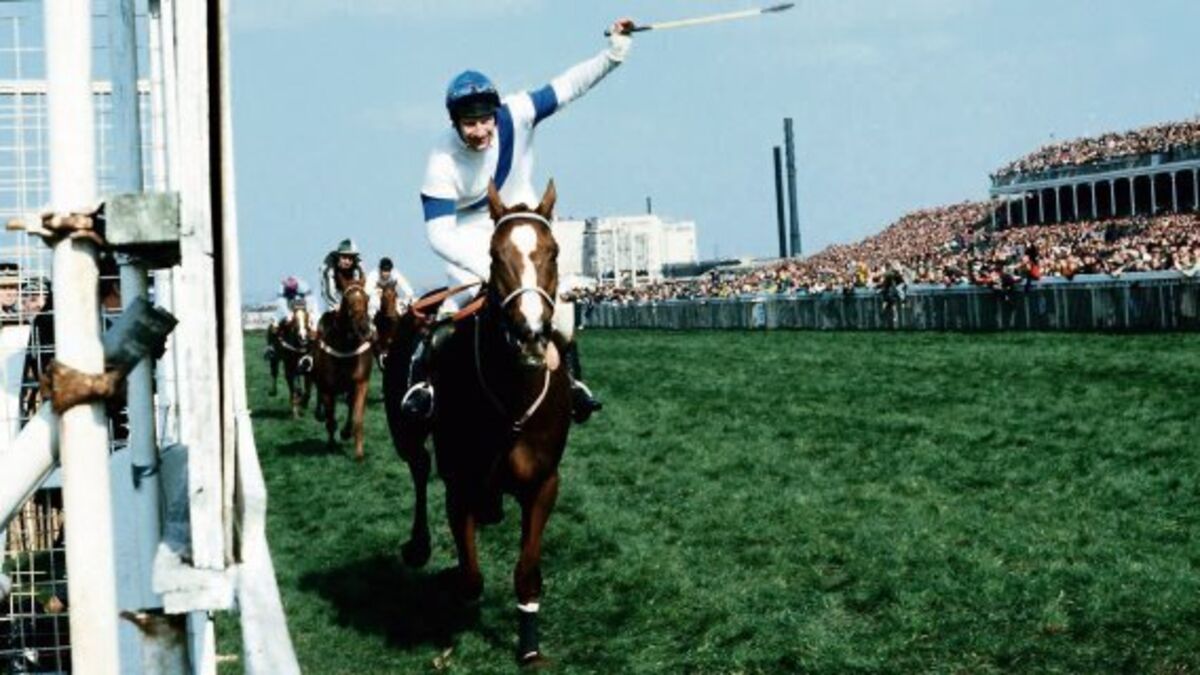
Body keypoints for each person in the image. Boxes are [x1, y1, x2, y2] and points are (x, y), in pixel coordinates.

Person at [403, 17, 636, 423]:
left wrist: (614, 54)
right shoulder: (441, 159)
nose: (479, 131)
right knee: (452, 312)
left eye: (484, 120)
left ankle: (574, 383)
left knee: (558, 310)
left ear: (495, 114)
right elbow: (438, 235)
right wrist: (487, 269)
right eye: (469, 123)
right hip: (470, 237)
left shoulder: (518, 113)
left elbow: (569, 86)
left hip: (524, 222)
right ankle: (422, 384)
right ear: (454, 123)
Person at [319, 238, 366, 311]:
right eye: (344, 257)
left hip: (347, 290)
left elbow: (358, 288)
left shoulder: (359, 266)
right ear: (338, 257)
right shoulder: (328, 267)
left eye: (350, 259)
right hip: (328, 291)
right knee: (331, 310)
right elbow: (328, 291)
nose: (347, 262)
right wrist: (335, 304)